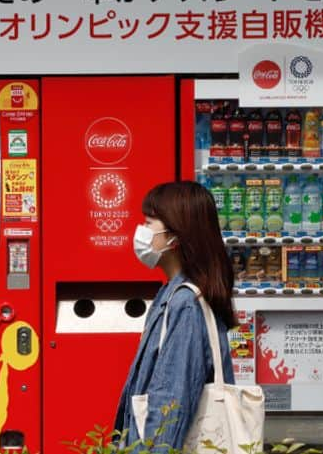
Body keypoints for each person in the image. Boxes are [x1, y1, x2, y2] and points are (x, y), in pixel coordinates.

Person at [114, 181, 236, 451]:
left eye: (149, 223)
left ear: (175, 236)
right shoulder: (172, 294)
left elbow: (170, 406)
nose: (142, 232)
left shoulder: (185, 304)